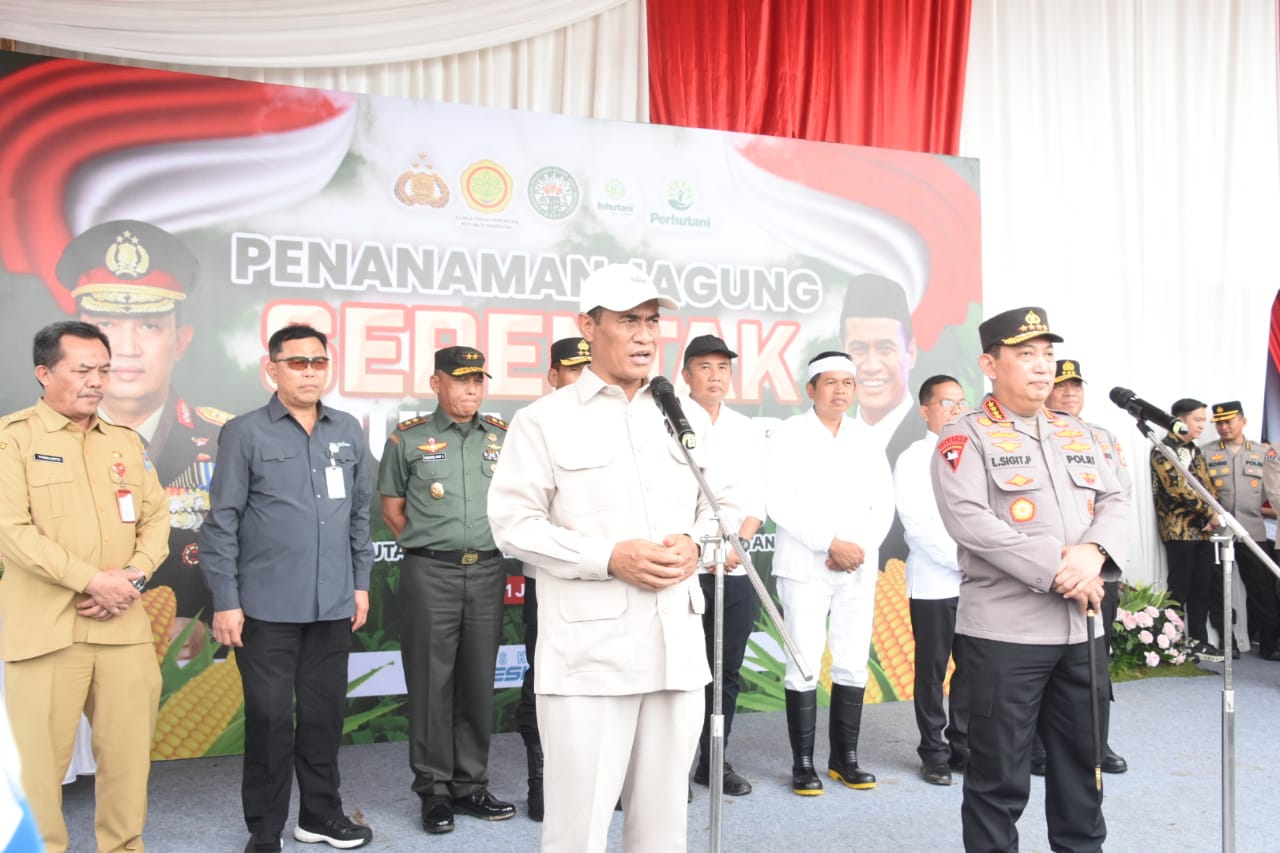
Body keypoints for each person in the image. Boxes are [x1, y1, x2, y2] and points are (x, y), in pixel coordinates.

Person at [487, 263, 713, 853]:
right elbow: (512, 525)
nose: (644, 335)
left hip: (676, 650)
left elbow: (720, 505)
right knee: (578, 831)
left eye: (652, 321)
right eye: (628, 320)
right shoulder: (544, 420)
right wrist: (608, 557)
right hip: (589, 659)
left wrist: (695, 541)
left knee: (664, 828)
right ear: (588, 327)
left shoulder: (680, 413)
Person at [931, 307, 1129, 853]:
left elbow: (1115, 499)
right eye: (1026, 354)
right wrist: (1064, 569)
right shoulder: (965, 437)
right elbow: (971, 522)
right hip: (1005, 637)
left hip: (1081, 633)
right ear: (989, 365)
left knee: (1083, 772)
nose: (1043, 366)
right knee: (998, 776)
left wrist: (1093, 553)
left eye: (1047, 354)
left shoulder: (1077, 432)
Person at [199, 324, 374, 852]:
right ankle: (264, 830)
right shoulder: (245, 432)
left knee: (324, 718)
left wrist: (361, 585)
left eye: (318, 362)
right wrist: (226, 601)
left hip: (333, 605)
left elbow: (359, 515)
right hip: (265, 609)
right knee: (271, 722)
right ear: (271, 369)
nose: (310, 372)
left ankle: (320, 816)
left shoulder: (347, 429)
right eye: (297, 362)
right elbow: (221, 523)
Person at [0, 321, 168, 853]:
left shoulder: (125, 441)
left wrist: (134, 575)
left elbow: (156, 518)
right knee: (36, 771)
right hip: (46, 631)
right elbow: (10, 531)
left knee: (127, 762)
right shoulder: (13, 439)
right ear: (44, 372)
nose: (96, 381)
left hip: (123, 628)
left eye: (103, 370)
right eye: (82, 370)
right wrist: (92, 580)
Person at [60, 219, 233, 651]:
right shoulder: (31, 440)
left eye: (149, 326)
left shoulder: (227, 440)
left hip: (190, 668)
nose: (127, 347)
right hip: (70, 645)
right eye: (106, 324)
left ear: (182, 341)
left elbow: (257, 548)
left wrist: (211, 627)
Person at [377, 345, 514, 836]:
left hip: (488, 571)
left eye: (478, 380)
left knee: (477, 679)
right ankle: (433, 789)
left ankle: (470, 784)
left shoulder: (501, 437)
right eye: (460, 380)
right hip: (430, 572)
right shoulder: (408, 439)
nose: (471, 389)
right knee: (431, 683)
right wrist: (435, 546)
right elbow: (393, 510)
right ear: (436, 383)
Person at [768, 351, 894, 796]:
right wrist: (830, 543)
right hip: (806, 565)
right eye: (830, 382)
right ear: (811, 389)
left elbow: (884, 503)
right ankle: (803, 765)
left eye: (847, 383)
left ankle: (845, 759)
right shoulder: (788, 435)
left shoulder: (867, 438)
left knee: (852, 661)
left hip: (857, 565)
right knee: (803, 662)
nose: (840, 391)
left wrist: (856, 549)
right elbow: (779, 501)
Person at [680, 334, 766, 797]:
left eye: (723, 368)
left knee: (726, 671)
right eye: (705, 367)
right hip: (686, 570)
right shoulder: (668, 422)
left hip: (733, 566)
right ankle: (671, 768)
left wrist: (741, 543)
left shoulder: (744, 428)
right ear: (686, 374)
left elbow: (757, 497)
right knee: (683, 675)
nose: (715, 376)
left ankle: (714, 761)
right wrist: (696, 549)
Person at [515, 336, 592, 822]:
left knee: (603, 682)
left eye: (589, 369)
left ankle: (599, 779)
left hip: (611, 581)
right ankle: (541, 780)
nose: (582, 379)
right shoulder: (536, 424)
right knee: (544, 679)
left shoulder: (624, 424)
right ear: (553, 376)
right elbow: (522, 515)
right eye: (573, 370)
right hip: (552, 578)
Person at [893, 374, 969, 787]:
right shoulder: (913, 458)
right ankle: (933, 751)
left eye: (961, 402)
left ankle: (963, 744)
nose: (956, 410)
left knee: (973, 668)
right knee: (932, 671)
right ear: (926, 411)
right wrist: (964, 560)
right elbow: (917, 524)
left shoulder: (976, 452)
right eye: (946, 403)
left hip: (977, 584)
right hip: (934, 582)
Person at [841, 273, 927, 564]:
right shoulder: (828, 437)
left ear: (910, 353)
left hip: (910, 584)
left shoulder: (934, 438)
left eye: (885, 349)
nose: (871, 365)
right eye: (858, 350)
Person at [1151, 398, 1225, 661]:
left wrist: (1215, 513)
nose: (1202, 426)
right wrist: (1209, 513)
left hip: (1204, 530)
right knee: (1179, 589)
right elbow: (1177, 489)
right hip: (1179, 531)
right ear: (1179, 420)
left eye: (1204, 421)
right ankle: (1174, 643)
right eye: (1198, 420)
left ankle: (1199, 642)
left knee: (1202, 587)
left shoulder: (1195, 450)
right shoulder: (1162, 449)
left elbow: (1208, 486)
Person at [1206, 401, 1280, 660]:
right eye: (1219, 423)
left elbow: (1274, 487)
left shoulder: (1266, 452)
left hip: (1252, 529)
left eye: (1229, 421)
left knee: (1262, 587)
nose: (1224, 427)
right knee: (1219, 589)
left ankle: (1269, 644)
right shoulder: (1205, 453)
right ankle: (1228, 642)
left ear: (1243, 422)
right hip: (1219, 532)